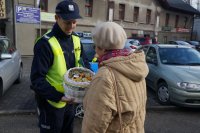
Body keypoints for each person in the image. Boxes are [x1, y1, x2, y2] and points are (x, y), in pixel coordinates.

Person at [30, 1, 90, 133]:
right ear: (57, 18)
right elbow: (36, 80)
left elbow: (84, 64)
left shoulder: (76, 39)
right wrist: (59, 96)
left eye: (74, 22)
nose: (71, 26)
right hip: (51, 104)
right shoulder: (45, 44)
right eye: (67, 22)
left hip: (71, 102)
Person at [82, 22, 149, 133]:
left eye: (95, 46)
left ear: (102, 48)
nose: (95, 50)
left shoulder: (105, 76)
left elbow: (94, 125)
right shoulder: (136, 66)